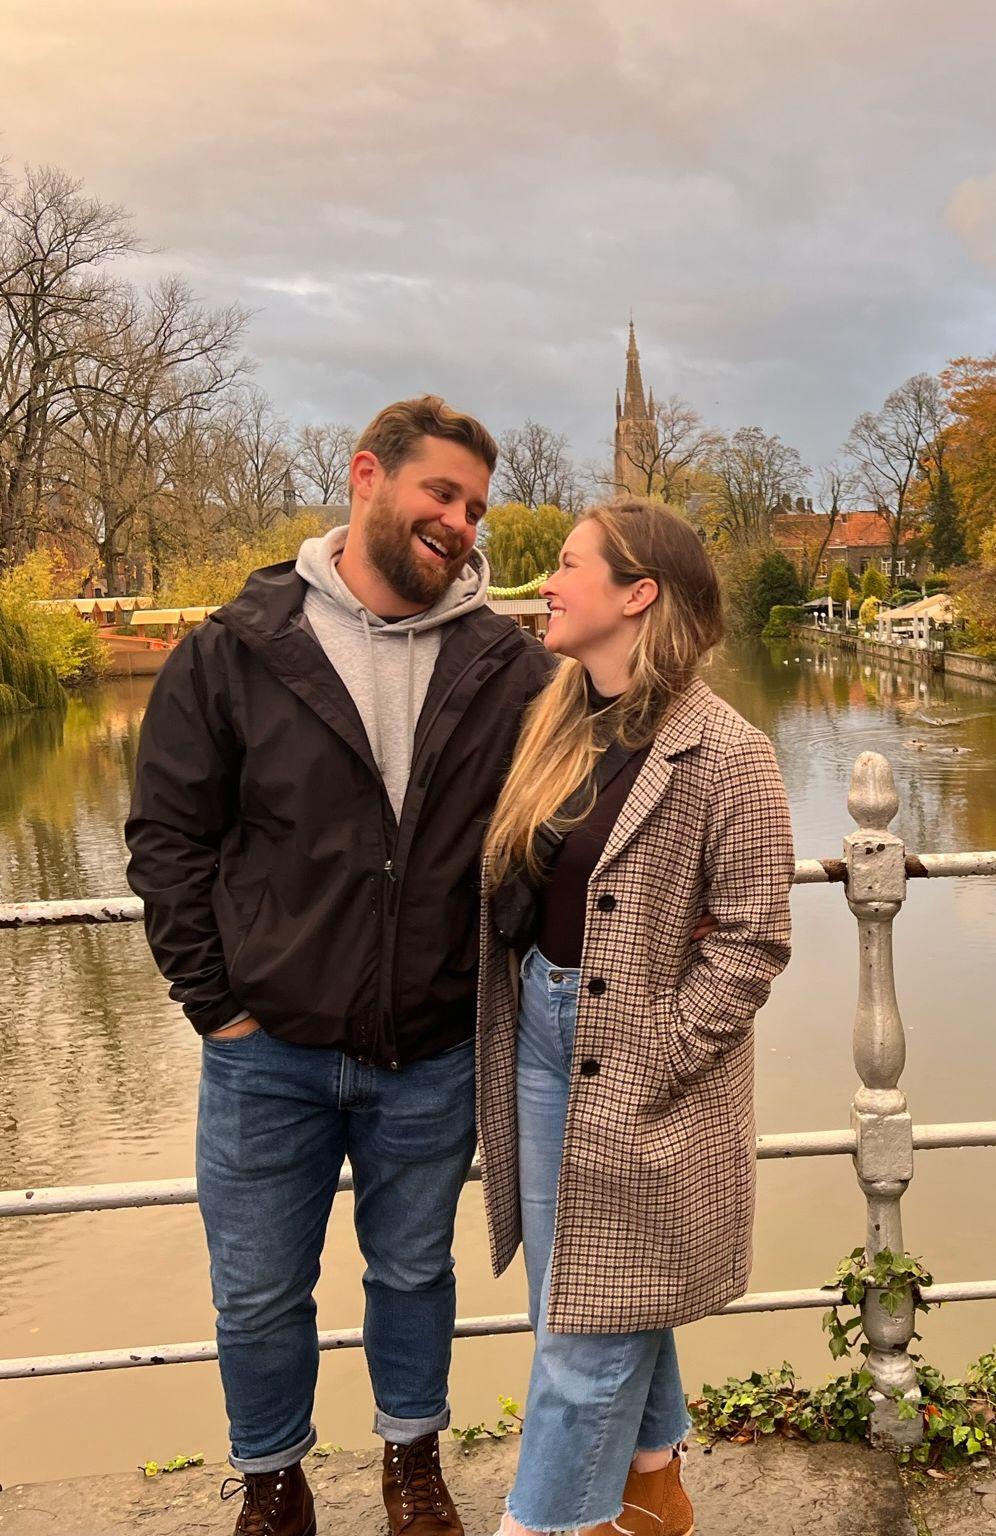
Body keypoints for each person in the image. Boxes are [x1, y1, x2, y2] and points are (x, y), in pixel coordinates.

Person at [126, 397, 555, 1536]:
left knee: (414, 1277)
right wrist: (216, 1007)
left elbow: (549, 828)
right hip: (266, 1053)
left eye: (474, 506)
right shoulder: (237, 647)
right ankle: (273, 1483)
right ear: (368, 475)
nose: (460, 523)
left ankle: (411, 1463)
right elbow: (168, 837)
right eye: (440, 494)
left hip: (431, 1048)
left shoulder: (508, 668)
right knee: (260, 1291)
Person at [477, 498, 795, 1536]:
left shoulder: (729, 752)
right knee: (572, 1298)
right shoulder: (558, 719)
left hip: (644, 1059)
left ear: (637, 594)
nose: (546, 586)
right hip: (539, 1033)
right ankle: (653, 1483)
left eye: (567, 567)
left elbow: (754, 937)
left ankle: (549, 1522)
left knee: (583, 1335)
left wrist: (659, 1050)